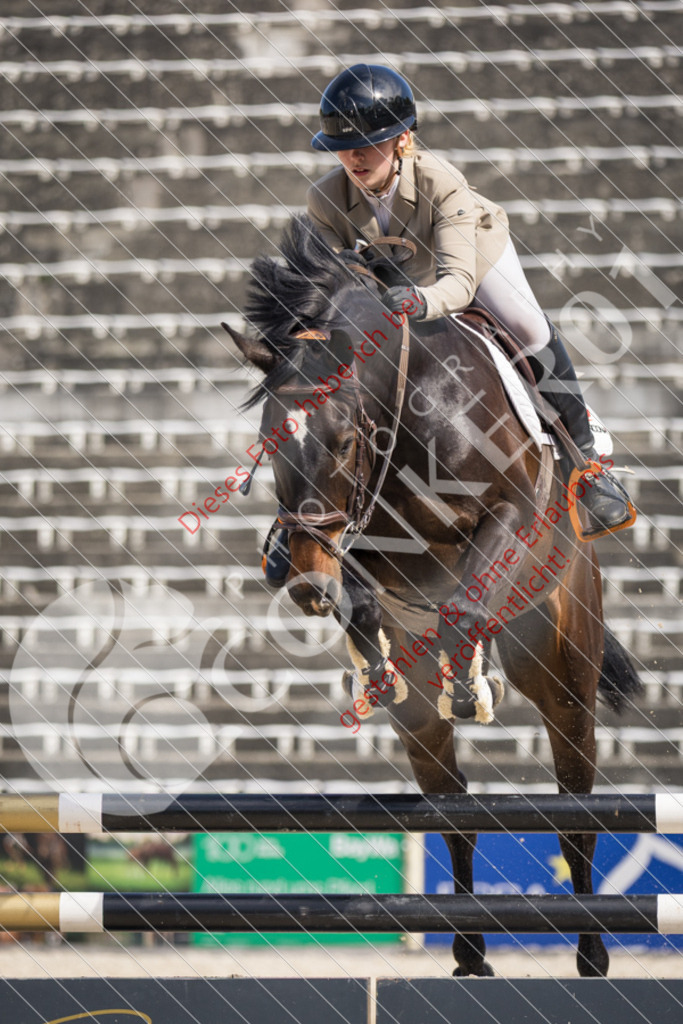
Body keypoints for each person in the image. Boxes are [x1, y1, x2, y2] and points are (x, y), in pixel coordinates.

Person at [263, 63, 633, 587]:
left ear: (403, 139)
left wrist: (417, 300)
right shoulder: (324, 198)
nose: (354, 156)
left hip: (470, 261)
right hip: (394, 285)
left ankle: (588, 461)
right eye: (343, 146)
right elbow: (329, 289)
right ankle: (301, 518)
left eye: (370, 143)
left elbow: (458, 284)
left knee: (526, 326)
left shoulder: (442, 182)